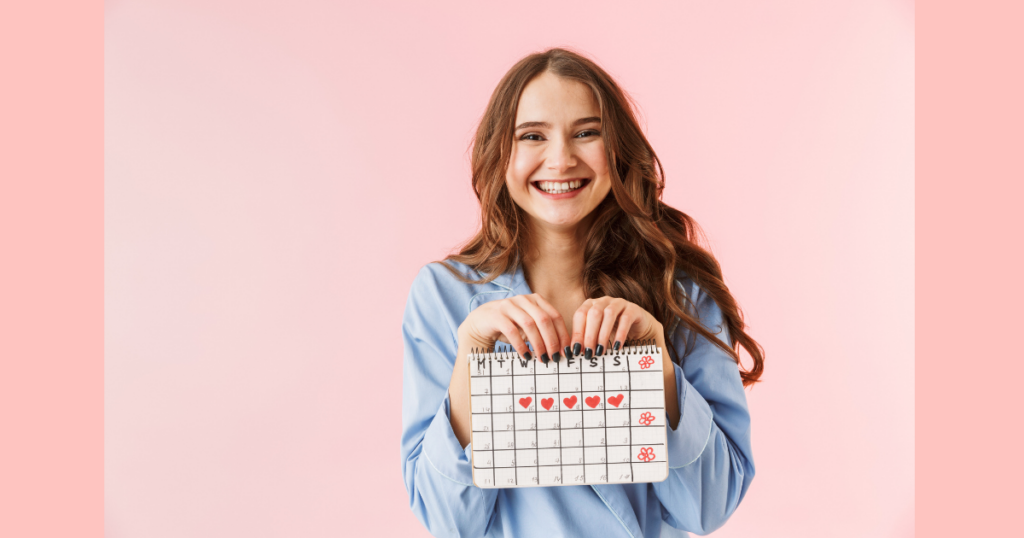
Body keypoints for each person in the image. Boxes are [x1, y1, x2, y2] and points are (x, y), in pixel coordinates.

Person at [400, 47, 764, 538]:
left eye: (587, 132)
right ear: (499, 153)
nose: (560, 159)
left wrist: (656, 365)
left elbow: (710, 507)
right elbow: (447, 522)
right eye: (532, 136)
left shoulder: (681, 290)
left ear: (617, 149)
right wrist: (471, 357)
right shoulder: (442, 296)